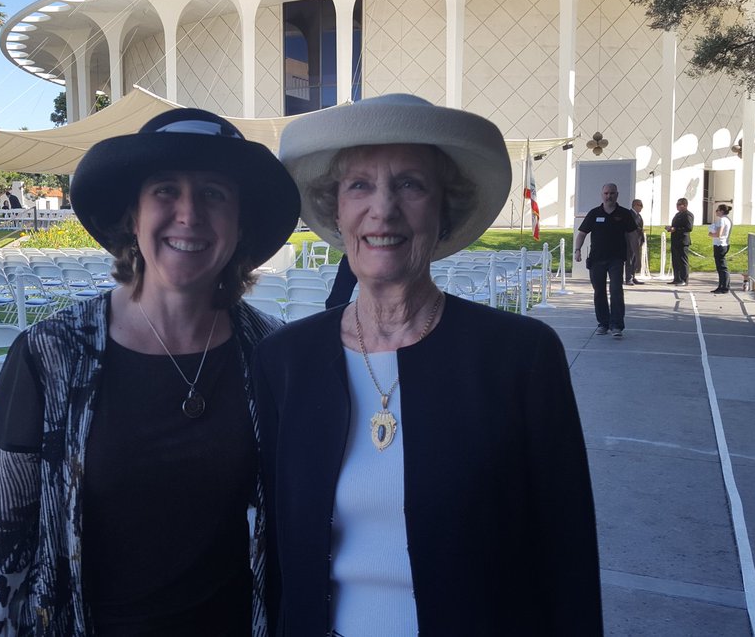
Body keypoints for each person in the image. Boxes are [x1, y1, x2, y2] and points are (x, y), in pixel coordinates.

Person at [255, 94, 600, 634]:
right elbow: (279, 557)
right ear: (336, 209)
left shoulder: (520, 358)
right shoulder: (284, 362)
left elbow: (567, 555)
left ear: (444, 209)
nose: (383, 209)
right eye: (360, 185)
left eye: (410, 184)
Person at [0, 108, 301, 636]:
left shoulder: (273, 353)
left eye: (213, 194)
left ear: (240, 222)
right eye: (165, 190)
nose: (189, 214)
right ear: (131, 217)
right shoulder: (50, 356)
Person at [576, 183, 637, 337]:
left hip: (616, 259)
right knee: (599, 292)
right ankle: (603, 323)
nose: (608, 196)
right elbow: (582, 233)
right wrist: (577, 250)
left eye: (612, 193)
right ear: (602, 194)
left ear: (617, 194)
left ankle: (616, 325)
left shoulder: (624, 214)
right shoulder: (594, 213)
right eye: (606, 193)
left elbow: (632, 235)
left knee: (616, 290)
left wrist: (636, 254)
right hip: (597, 260)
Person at [666, 197, 694, 285]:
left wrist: (676, 229)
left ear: (684, 205)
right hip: (675, 240)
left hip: (682, 241)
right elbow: (675, 225)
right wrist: (670, 228)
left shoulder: (688, 215)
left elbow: (688, 228)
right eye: (677, 204)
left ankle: (684, 279)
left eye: (679, 205)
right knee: (675, 260)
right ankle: (677, 278)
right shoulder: (677, 215)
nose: (677, 206)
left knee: (682, 261)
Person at [710, 203, 733, 294]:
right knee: (721, 267)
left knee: (721, 267)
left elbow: (718, 234)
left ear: (722, 211)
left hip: (720, 245)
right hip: (724, 244)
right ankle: (722, 285)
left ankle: (724, 286)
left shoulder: (722, 220)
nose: (716, 212)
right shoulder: (727, 220)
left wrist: (711, 234)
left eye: (718, 210)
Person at [625, 198, 645, 285]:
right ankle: (628, 278)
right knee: (629, 259)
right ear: (635, 205)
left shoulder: (639, 216)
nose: (641, 207)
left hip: (638, 239)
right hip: (630, 240)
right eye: (640, 205)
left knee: (634, 259)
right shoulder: (630, 214)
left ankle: (633, 276)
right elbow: (631, 227)